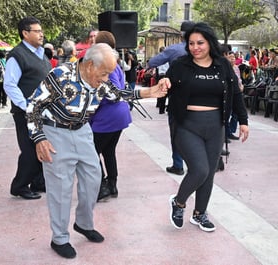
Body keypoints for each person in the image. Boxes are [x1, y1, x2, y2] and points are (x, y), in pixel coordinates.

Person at [26, 43, 170, 258]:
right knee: (61, 188)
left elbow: (117, 94)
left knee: (94, 179)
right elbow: (33, 106)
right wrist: (39, 139)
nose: (105, 79)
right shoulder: (60, 75)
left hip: (83, 131)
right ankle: (60, 238)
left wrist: (150, 91)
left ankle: (83, 224)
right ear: (90, 65)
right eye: (104, 73)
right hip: (56, 133)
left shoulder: (99, 80)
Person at [166, 22, 249, 232]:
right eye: (191, 43)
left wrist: (243, 121)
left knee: (209, 173)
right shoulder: (180, 65)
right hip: (187, 125)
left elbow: (236, 94)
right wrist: (163, 84)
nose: (195, 47)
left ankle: (199, 213)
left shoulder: (223, 65)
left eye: (200, 43)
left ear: (209, 42)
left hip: (215, 126)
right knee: (200, 169)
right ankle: (179, 202)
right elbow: (165, 85)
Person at [3, 16, 52, 200]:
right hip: (26, 113)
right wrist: (27, 106)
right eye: (37, 31)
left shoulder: (41, 54)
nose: (41, 34)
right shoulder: (17, 55)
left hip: (43, 111)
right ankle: (19, 186)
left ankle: (38, 182)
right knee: (30, 150)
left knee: (43, 146)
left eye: (41, 30)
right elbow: (10, 84)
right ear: (25, 33)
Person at [89, 31, 132, 201]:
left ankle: (101, 186)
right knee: (108, 151)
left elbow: (112, 90)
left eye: (95, 41)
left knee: (91, 153)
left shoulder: (107, 64)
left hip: (108, 116)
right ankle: (112, 184)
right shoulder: (115, 62)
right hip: (118, 115)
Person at [148, 21, 195, 176]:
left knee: (177, 132)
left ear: (181, 34)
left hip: (178, 96)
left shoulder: (174, 50)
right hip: (201, 98)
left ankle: (178, 164)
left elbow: (152, 62)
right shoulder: (205, 50)